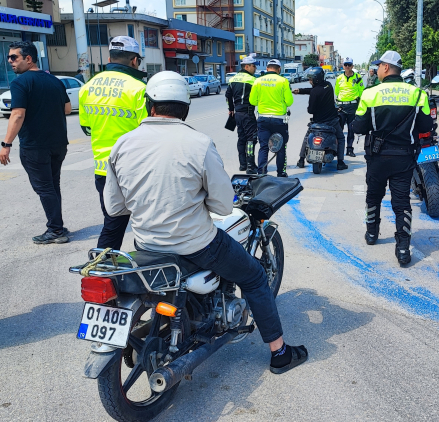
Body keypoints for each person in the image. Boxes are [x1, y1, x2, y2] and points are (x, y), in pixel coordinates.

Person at [104, 71, 308, 374]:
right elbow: (223, 205)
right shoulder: (198, 143)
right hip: (197, 245)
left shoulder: (122, 144)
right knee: (253, 277)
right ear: (186, 109)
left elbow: (114, 207)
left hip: (146, 243)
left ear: (149, 106)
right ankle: (279, 353)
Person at [353, 51, 433, 266]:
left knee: (373, 196)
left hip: (377, 157)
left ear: (386, 67)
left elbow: (359, 127)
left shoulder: (370, 94)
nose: (377, 69)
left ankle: (372, 233)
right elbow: (426, 126)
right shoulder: (418, 94)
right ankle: (403, 248)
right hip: (404, 157)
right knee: (401, 202)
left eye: (379, 66)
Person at [0, 41, 72, 244]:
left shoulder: (20, 83)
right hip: (58, 144)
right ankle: (57, 225)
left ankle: (55, 230)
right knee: (52, 186)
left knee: (45, 188)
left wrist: (6, 144)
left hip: (35, 145)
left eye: (14, 57)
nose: (10, 61)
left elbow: (17, 115)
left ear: (28, 58)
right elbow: (67, 109)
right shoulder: (54, 81)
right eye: (9, 58)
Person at [78, 36, 147, 250]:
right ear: (134, 60)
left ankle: (103, 265)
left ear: (109, 58)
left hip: (103, 170)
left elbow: (86, 127)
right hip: (135, 170)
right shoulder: (138, 88)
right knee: (149, 224)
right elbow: (150, 131)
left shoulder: (87, 87)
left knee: (113, 224)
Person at [292, 67, 348, 171]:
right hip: (332, 121)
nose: (309, 81)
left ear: (316, 79)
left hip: (317, 123)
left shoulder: (315, 92)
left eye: (311, 79)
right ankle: (340, 162)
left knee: (307, 138)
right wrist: (300, 91)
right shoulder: (328, 85)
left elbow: (311, 110)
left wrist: (309, 106)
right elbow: (316, 90)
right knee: (340, 138)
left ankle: (301, 160)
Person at [249, 59, 293, 177]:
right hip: (279, 119)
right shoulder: (283, 81)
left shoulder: (258, 81)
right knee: (281, 147)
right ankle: (281, 173)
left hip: (263, 119)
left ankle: (262, 173)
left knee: (263, 147)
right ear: (279, 69)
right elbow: (289, 102)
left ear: (267, 68)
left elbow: (252, 101)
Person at [225, 54, 258, 174]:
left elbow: (228, 96)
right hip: (248, 113)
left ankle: (242, 164)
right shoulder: (253, 80)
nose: (255, 68)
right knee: (251, 139)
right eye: (254, 66)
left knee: (241, 138)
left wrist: (231, 109)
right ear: (247, 66)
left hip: (237, 114)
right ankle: (250, 165)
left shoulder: (233, 79)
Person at [334, 57, 363, 157]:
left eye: (349, 65)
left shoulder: (357, 77)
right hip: (341, 106)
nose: (347, 67)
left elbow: (361, 91)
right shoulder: (339, 78)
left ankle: (349, 149)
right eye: (345, 65)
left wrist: (360, 105)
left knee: (351, 129)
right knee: (339, 129)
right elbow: (337, 92)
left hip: (352, 106)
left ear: (352, 66)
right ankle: (338, 150)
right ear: (343, 66)